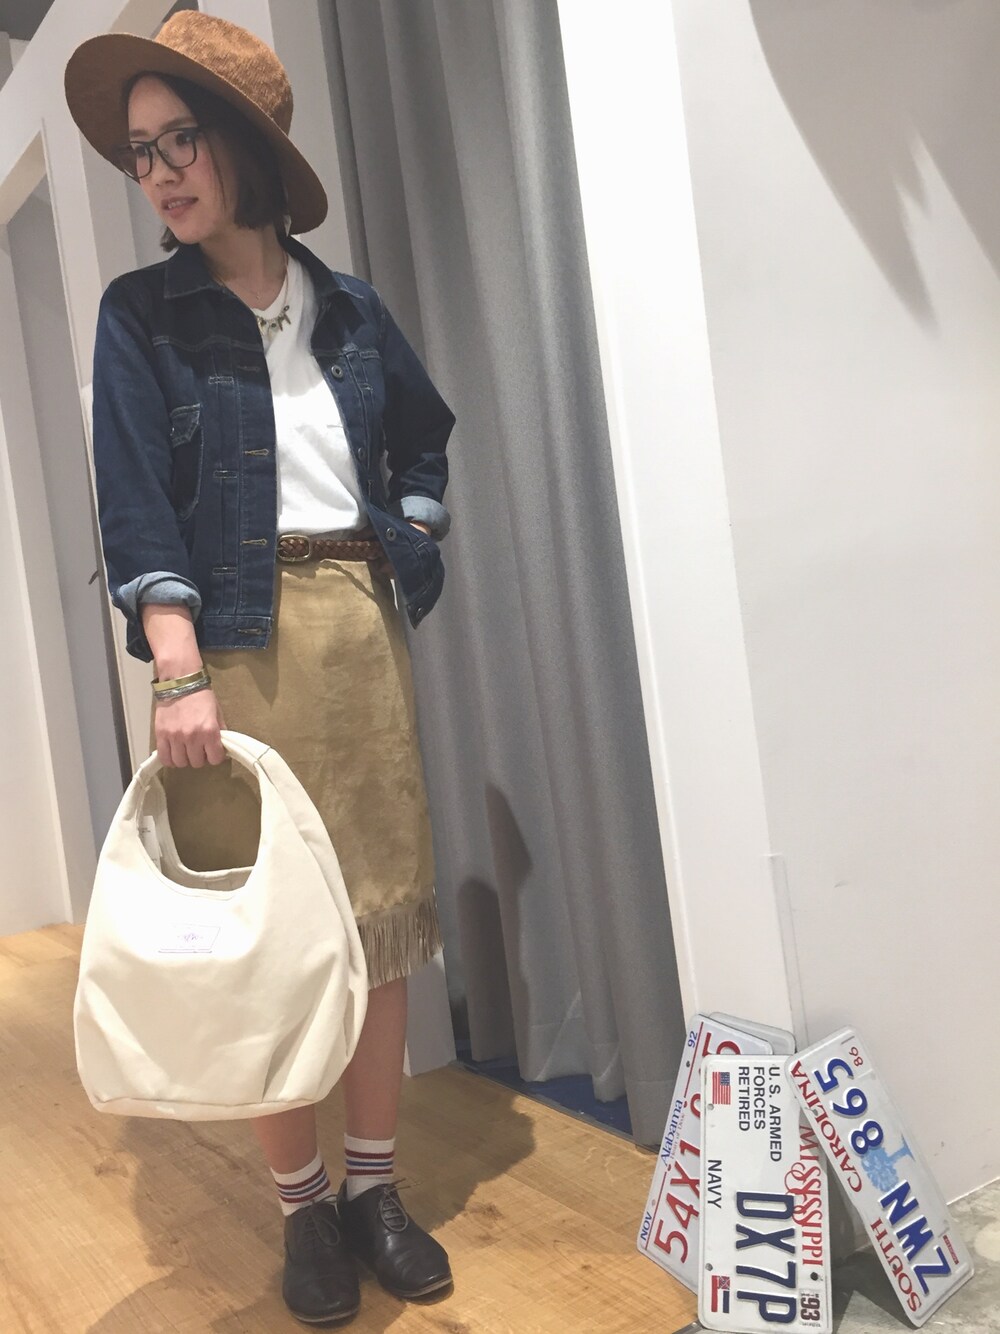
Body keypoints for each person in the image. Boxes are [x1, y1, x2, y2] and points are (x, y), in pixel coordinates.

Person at [65, 12, 454, 1326]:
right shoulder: (142, 317)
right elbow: (134, 501)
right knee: (261, 932)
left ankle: (375, 1190)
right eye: (139, 153)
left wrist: (411, 533)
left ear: (242, 144)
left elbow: (424, 439)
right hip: (229, 643)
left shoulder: (349, 310)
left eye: (179, 141)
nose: (159, 173)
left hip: (356, 629)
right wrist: (177, 667)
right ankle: (303, 1208)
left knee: (380, 921)